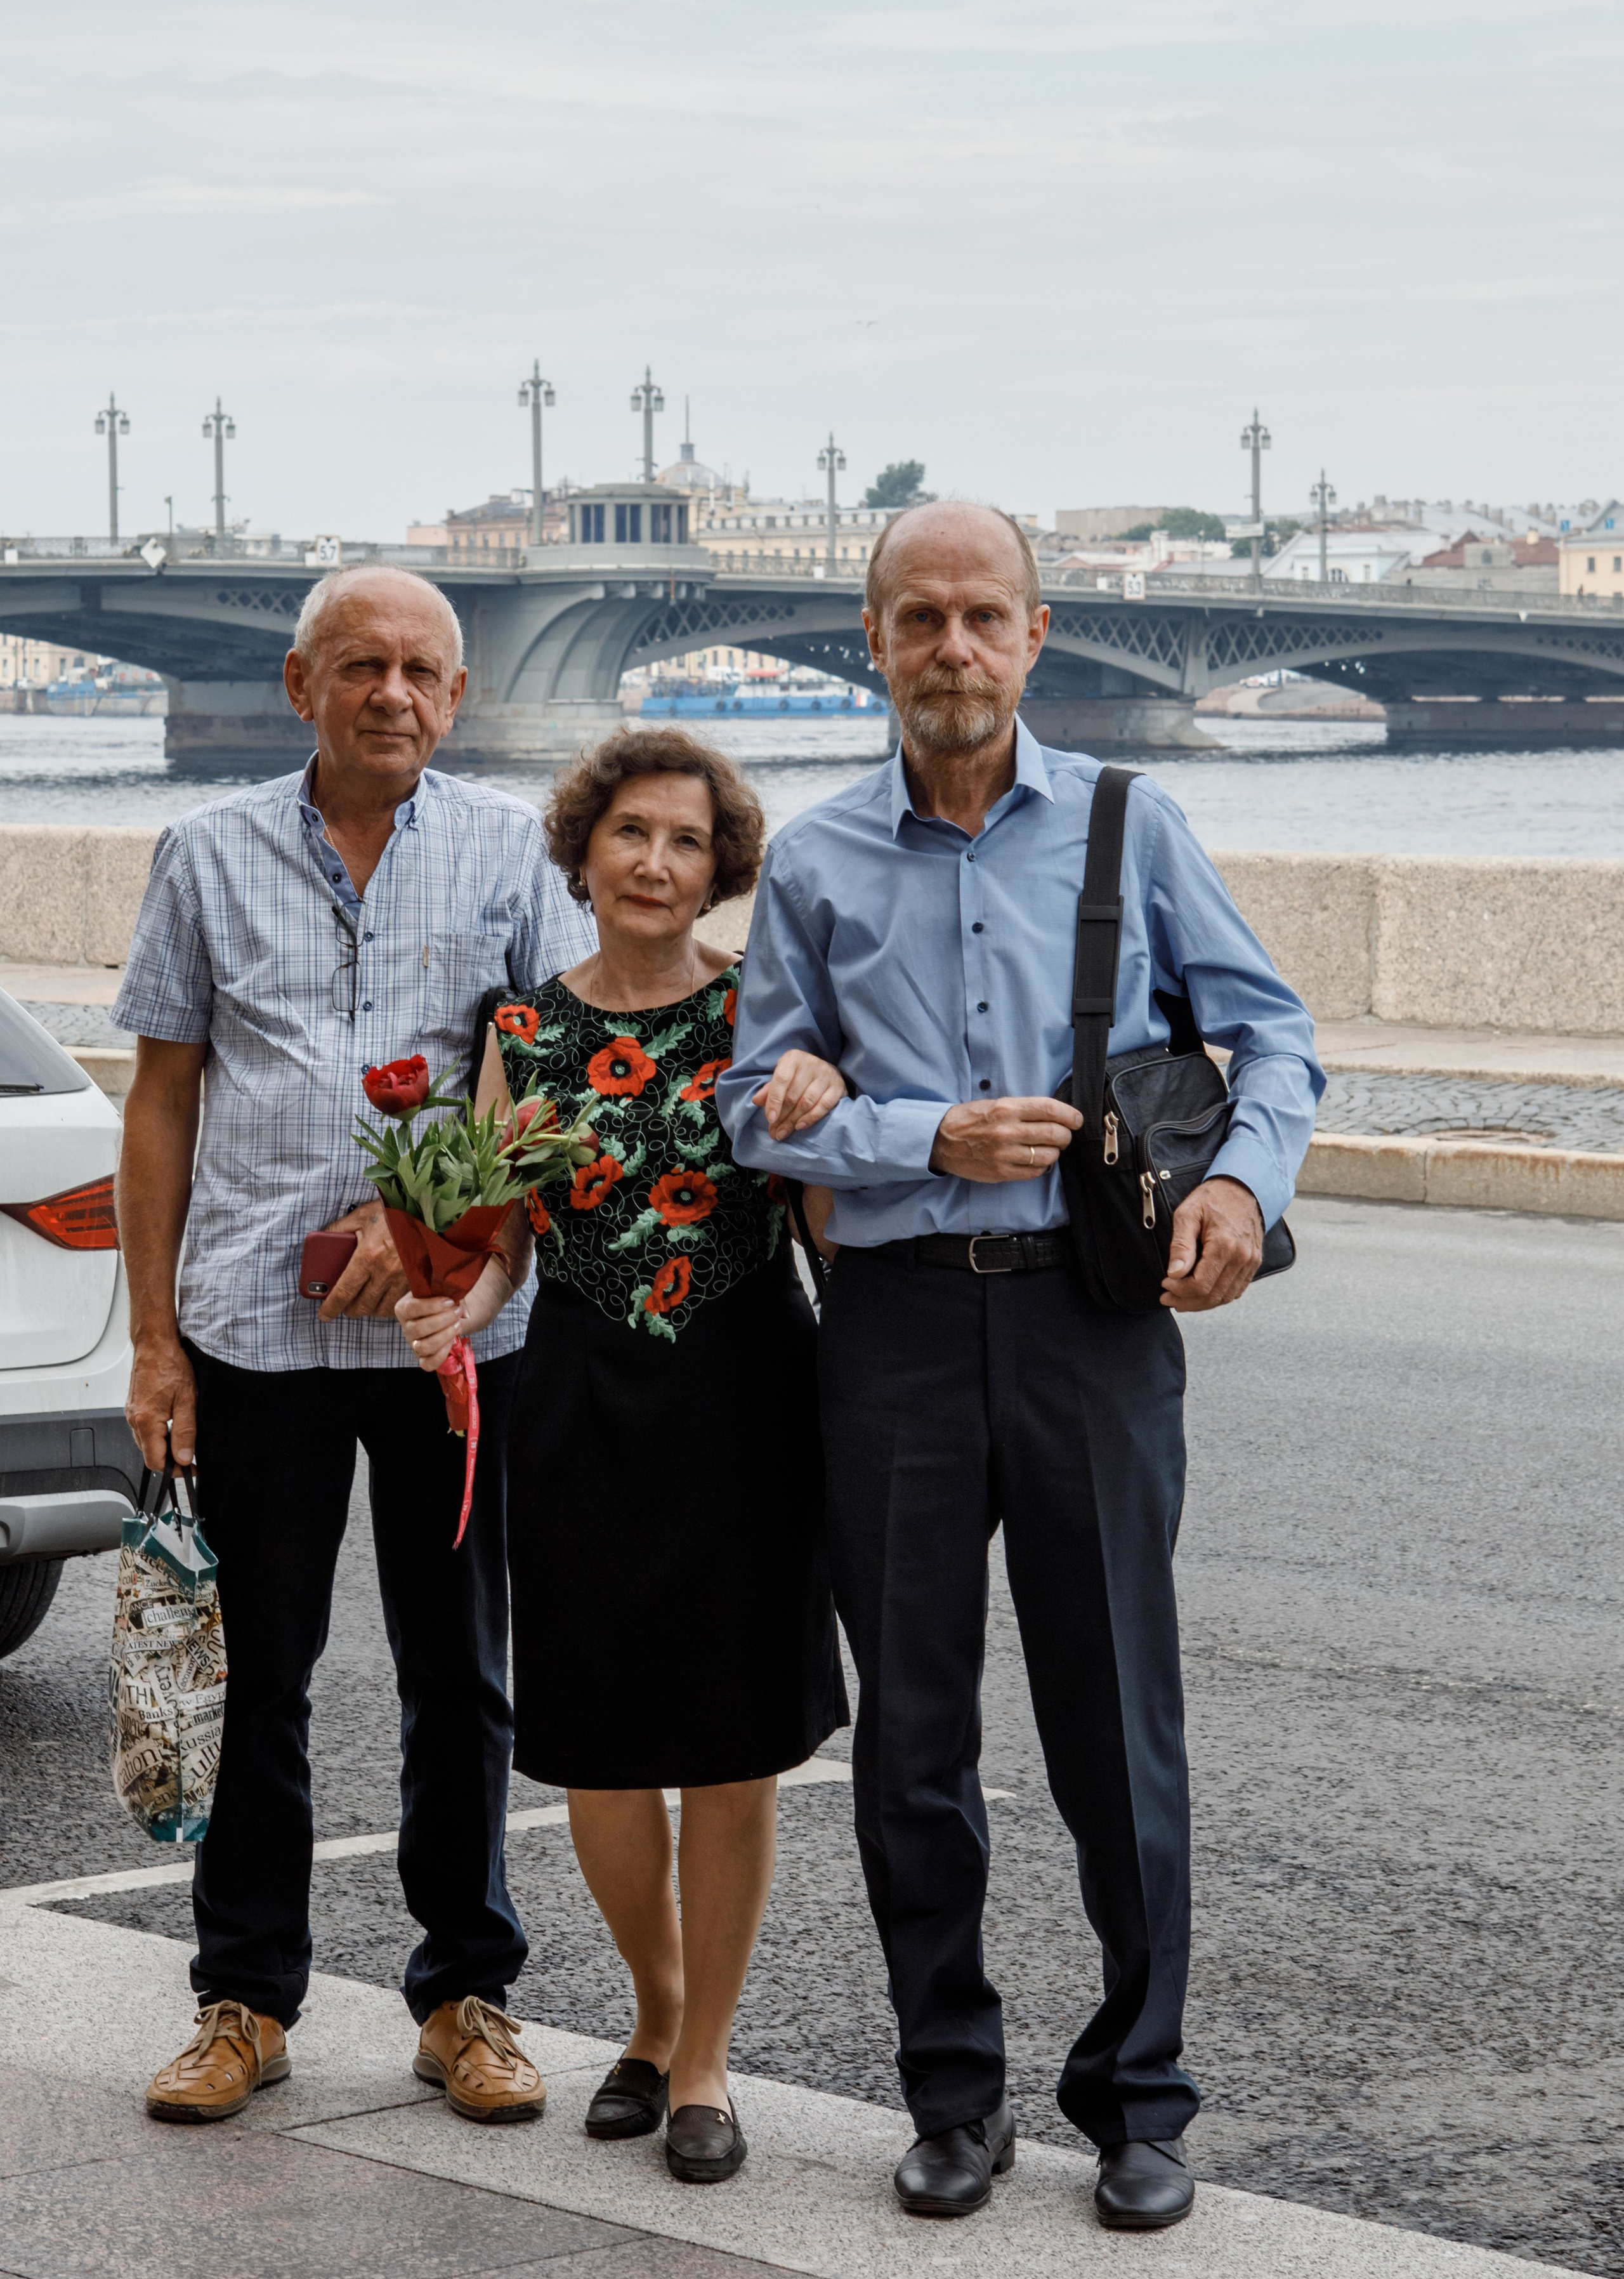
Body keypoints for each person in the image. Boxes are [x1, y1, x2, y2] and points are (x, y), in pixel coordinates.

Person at [717, 504, 1323, 2231]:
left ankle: (1140, 2103)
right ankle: (952, 2096)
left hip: (1092, 1323)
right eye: (922, 619)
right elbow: (759, 1104)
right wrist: (921, 1138)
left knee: (1115, 1723)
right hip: (895, 1332)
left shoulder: (1138, 826)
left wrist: (1236, 1182)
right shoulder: (824, 861)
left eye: (986, 617)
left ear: (1038, 635)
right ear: (875, 637)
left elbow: (1271, 1034)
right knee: (912, 1738)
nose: (955, 649)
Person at [116, 563, 595, 2126]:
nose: (392, 692)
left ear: (454, 700)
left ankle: (467, 1993)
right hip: (254, 1333)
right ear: (299, 683)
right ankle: (242, 1998)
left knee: (461, 1675)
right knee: (260, 1675)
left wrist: (456, 1234)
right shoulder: (205, 849)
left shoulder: (512, 852)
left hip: (454, 1338)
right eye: (361, 665)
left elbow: (542, 1088)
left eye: (421, 671)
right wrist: (155, 1346)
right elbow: (163, 1099)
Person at [396, 726, 849, 2186]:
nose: (658, 861)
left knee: (731, 1750)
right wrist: (446, 1310)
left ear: (723, 868)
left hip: (746, 1397)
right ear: (582, 851)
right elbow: (497, 1246)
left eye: (688, 840)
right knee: (595, 1748)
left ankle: (703, 2056)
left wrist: (829, 1112)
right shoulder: (517, 1032)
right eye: (631, 833)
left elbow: (825, 1233)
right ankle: (648, 2015)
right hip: (579, 1400)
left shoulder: (766, 1019)